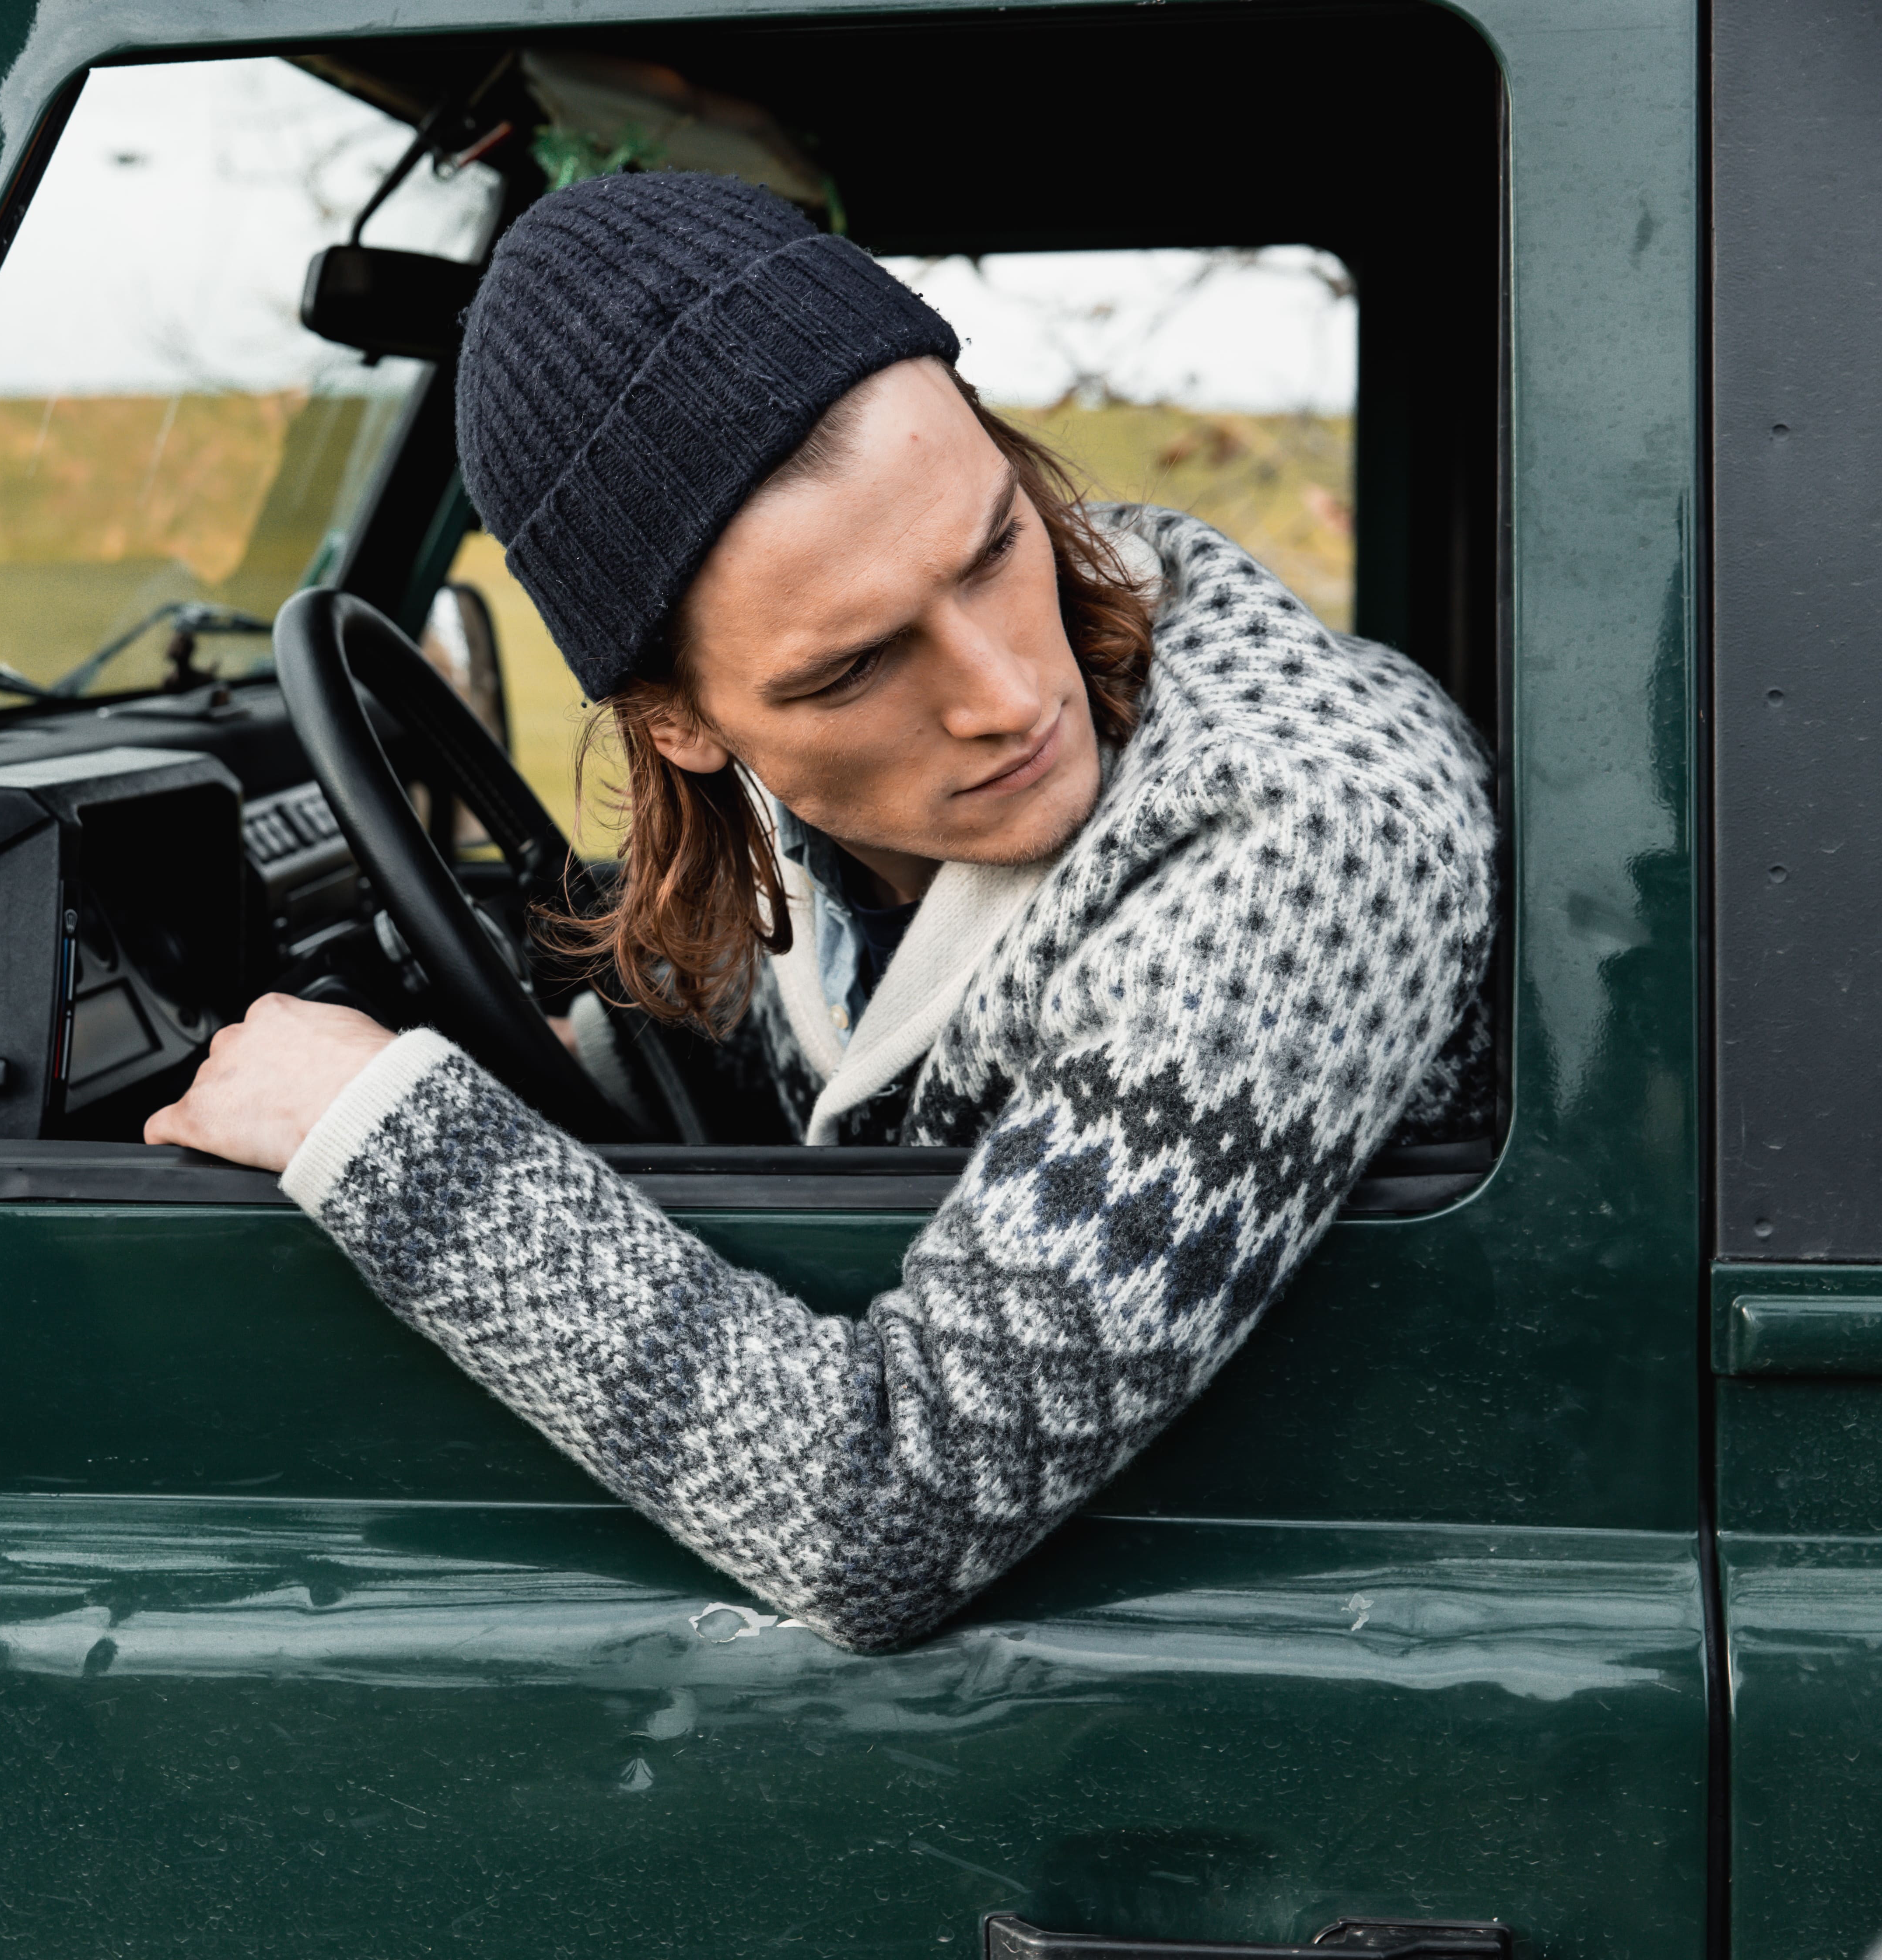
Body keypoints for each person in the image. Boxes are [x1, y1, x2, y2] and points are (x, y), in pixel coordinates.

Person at [147, 171, 1494, 1653]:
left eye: (993, 549)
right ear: (679, 726)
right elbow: (835, 1012)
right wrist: (576, 1060)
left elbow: (885, 1515)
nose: (1003, 696)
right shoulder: (847, 789)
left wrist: (382, 1134)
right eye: (853, 671)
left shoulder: (1304, 829)